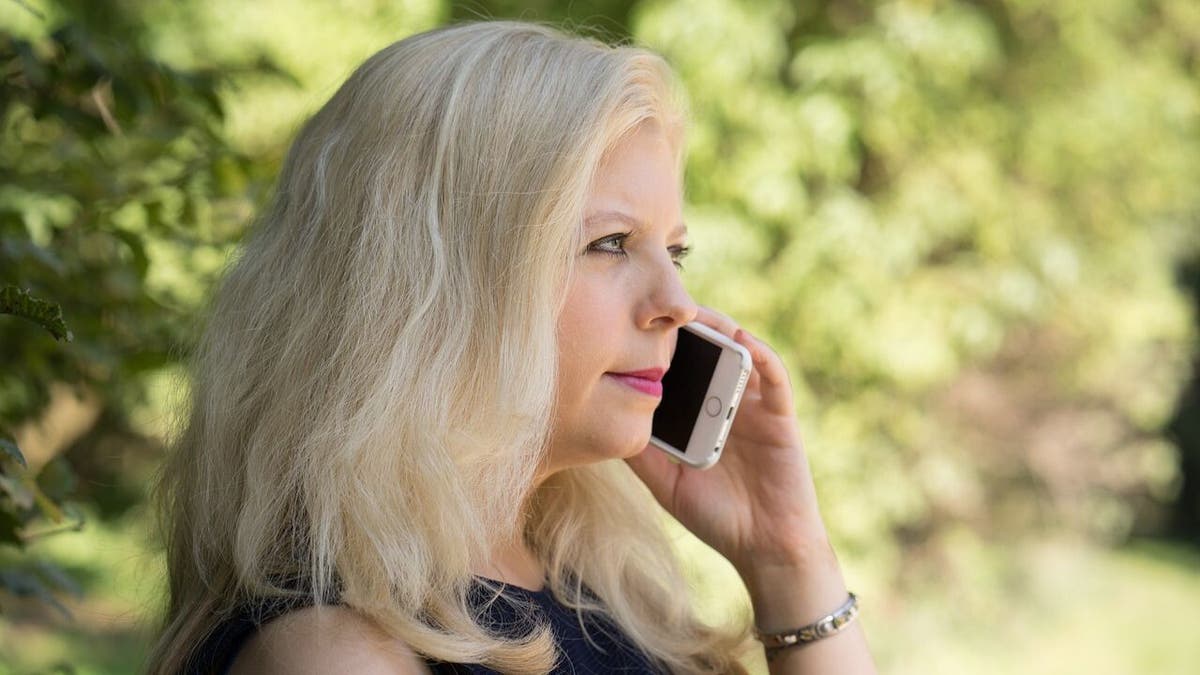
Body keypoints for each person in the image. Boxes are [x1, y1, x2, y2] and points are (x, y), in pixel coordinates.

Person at [147, 19, 877, 675]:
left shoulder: (602, 590)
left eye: (674, 250)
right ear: (436, 283)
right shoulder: (337, 652)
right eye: (611, 243)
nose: (677, 304)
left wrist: (787, 556)